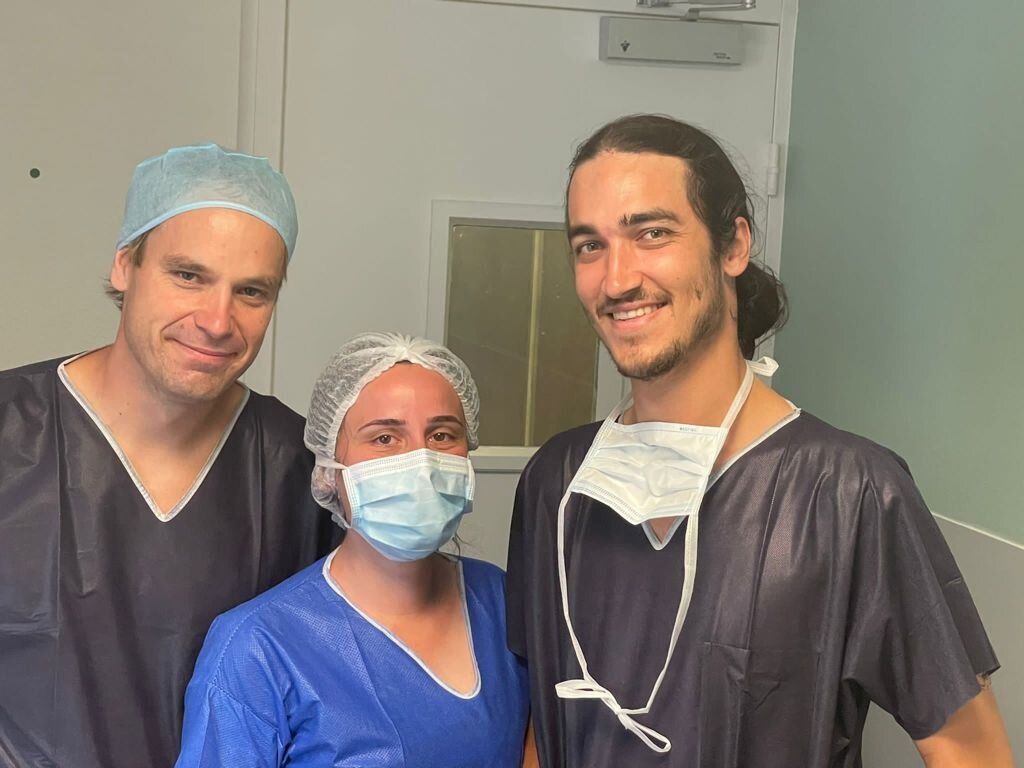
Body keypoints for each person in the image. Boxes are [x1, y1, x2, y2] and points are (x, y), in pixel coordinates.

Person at [506, 115, 1014, 767]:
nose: (616, 279)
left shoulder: (849, 492)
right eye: (589, 246)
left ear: (733, 246)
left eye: (651, 233)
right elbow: (540, 730)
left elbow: (973, 753)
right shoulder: (557, 483)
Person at [0, 144, 336, 768]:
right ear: (126, 264)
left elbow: (339, 686)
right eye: (188, 275)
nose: (216, 320)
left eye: (252, 292)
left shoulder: (303, 468)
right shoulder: (11, 430)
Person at [176, 332, 530, 767]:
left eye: (441, 435)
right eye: (384, 438)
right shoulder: (258, 648)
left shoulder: (501, 600)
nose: (420, 463)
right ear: (329, 469)